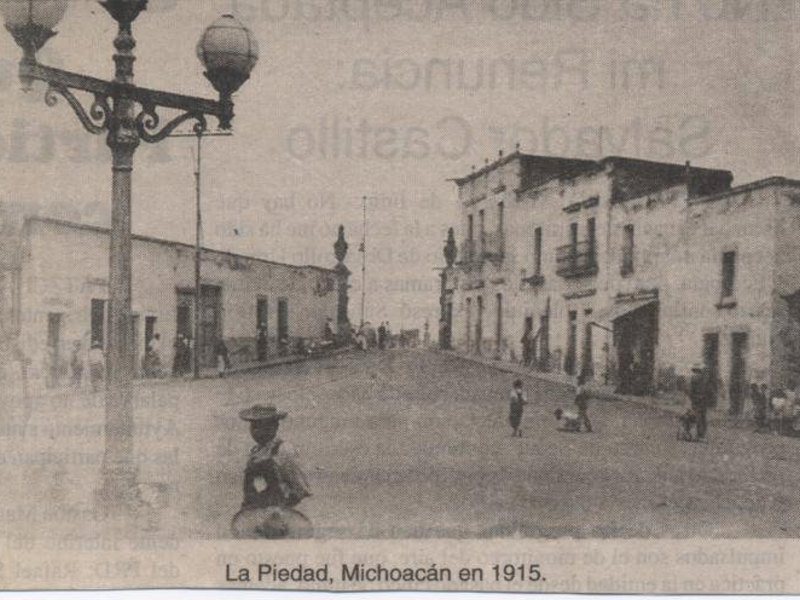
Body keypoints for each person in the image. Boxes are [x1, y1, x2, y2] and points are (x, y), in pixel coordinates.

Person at [231, 404, 312, 539]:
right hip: (254, 522)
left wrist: (279, 511)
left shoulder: (284, 450)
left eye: (263, 426)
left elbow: (301, 489)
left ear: (275, 427)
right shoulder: (255, 452)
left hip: (277, 523)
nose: (257, 431)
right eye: (254, 426)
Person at [688, 364, 710, 440]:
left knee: (698, 418)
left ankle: (699, 435)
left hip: (696, 401)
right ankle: (702, 435)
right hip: (704, 401)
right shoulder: (705, 379)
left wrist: (692, 399)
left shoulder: (693, 379)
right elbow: (708, 391)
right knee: (703, 417)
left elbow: (690, 392)